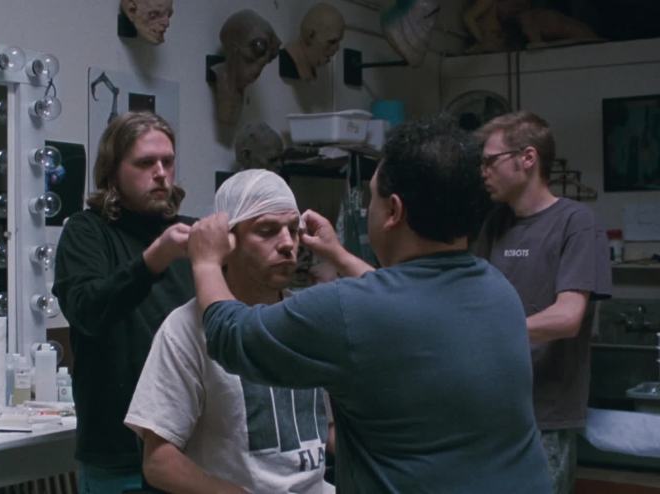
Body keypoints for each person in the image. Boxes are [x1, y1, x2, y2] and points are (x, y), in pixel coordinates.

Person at [186, 116, 551, 492]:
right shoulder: (498, 290)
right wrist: (339, 255)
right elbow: (401, 304)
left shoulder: (347, 311)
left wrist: (206, 262)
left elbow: (231, 335)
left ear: (394, 211)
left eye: (371, 196)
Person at [125, 169, 334, 494]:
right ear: (228, 242)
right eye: (267, 231)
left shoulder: (308, 318)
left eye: (293, 230)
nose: (287, 244)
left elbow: (327, 428)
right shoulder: (187, 328)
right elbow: (159, 461)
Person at [52, 112, 194, 493]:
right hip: (117, 454)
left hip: (190, 449)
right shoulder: (87, 231)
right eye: (146, 163)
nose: (161, 173)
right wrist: (153, 260)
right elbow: (87, 310)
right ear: (113, 172)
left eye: (167, 161)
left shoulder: (187, 235)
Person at [474, 111, 611, 494]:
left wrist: (490, 331)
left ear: (528, 158)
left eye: (490, 161)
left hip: (545, 416)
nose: (483, 171)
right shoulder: (495, 224)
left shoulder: (576, 222)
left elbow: (568, 317)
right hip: (493, 408)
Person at [211, 10, 281, 124]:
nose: (256, 71)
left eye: (262, 64)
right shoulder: (225, 76)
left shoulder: (241, 84)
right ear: (233, 49)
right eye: (249, 60)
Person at [280, 2, 345, 81]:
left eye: (338, 41)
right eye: (332, 41)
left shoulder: (310, 68)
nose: (337, 48)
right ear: (310, 35)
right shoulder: (283, 61)